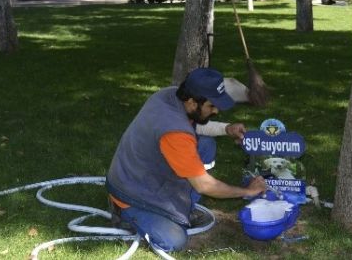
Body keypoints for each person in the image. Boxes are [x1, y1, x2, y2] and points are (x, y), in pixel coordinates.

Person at [106, 67, 267, 254]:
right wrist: (247, 191)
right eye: (212, 106)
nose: (216, 111)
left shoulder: (169, 96)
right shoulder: (175, 132)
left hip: (140, 171)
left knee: (206, 145)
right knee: (174, 240)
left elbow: (195, 125)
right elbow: (205, 185)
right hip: (131, 192)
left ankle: (182, 209)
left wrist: (227, 129)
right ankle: (125, 215)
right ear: (192, 102)